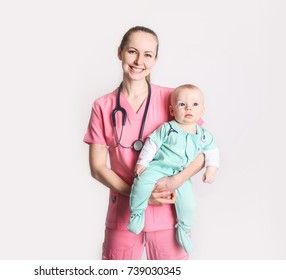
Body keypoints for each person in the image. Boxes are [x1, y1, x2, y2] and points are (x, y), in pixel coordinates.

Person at [83, 26, 205, 260]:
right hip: (123, 215)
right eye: (132, 52)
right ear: (120, 53)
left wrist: (175, 180)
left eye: (148, 55)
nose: (139, 61)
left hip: (169, 215)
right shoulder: (103, 106)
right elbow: (98, 168)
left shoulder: (173, 98)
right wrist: (139, 195)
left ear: (155, 60)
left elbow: (202, 151)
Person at [127, 84, 220, 254]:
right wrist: (143, 163)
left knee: (188, 204)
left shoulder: (204, 135)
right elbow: (152, 144)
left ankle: (184, 229)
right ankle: (137, 213)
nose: (188, 108)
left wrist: (211, 170)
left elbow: (212, 152)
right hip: (158, 168)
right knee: (141, 183)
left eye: (195, 105)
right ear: (172, 110)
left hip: (181, 175)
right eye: (182, 104)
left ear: (202, 111)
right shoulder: (167, 128)